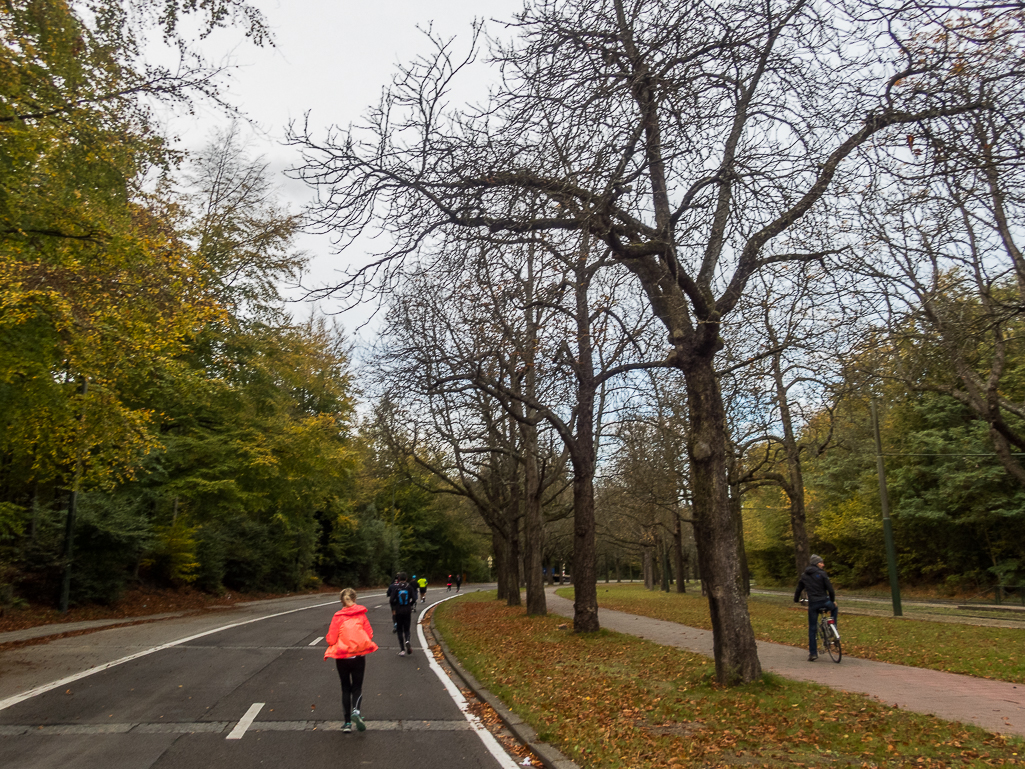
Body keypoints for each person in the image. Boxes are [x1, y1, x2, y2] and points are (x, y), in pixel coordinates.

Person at [324, 588, 378, 733]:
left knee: (345, 688)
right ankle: (357, 712)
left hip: (342, 657)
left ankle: (347, 723)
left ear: (341, 601)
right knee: (357, 686)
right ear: (355, 599)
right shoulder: (361, 615)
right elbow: (370, 634)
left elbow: (331, 639)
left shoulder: (338, 617)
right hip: (358, 656)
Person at [794, 554, 838, 662]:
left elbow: (799, 589)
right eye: (821, 563)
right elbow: (830, 590)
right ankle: (833, 628)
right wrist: (832, 600)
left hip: (813, 604)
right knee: (835, 608)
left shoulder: (804, 575)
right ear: (816, 563)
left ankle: (813, 653)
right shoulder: (822, 574)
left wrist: (796, 599)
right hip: (824, 601)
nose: (823, 565)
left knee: (812, 628)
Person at [387, 571, 415, 656]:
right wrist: (410, 605)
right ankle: (407, 640)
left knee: (399, 630)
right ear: (406, 578)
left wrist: (394, 608)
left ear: (399, 579)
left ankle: (402, 650)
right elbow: (414, 598)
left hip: (398, 611)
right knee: (407, 629)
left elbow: (391, 600)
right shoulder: (409, 587)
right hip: (407, 610)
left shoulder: (396, 588)